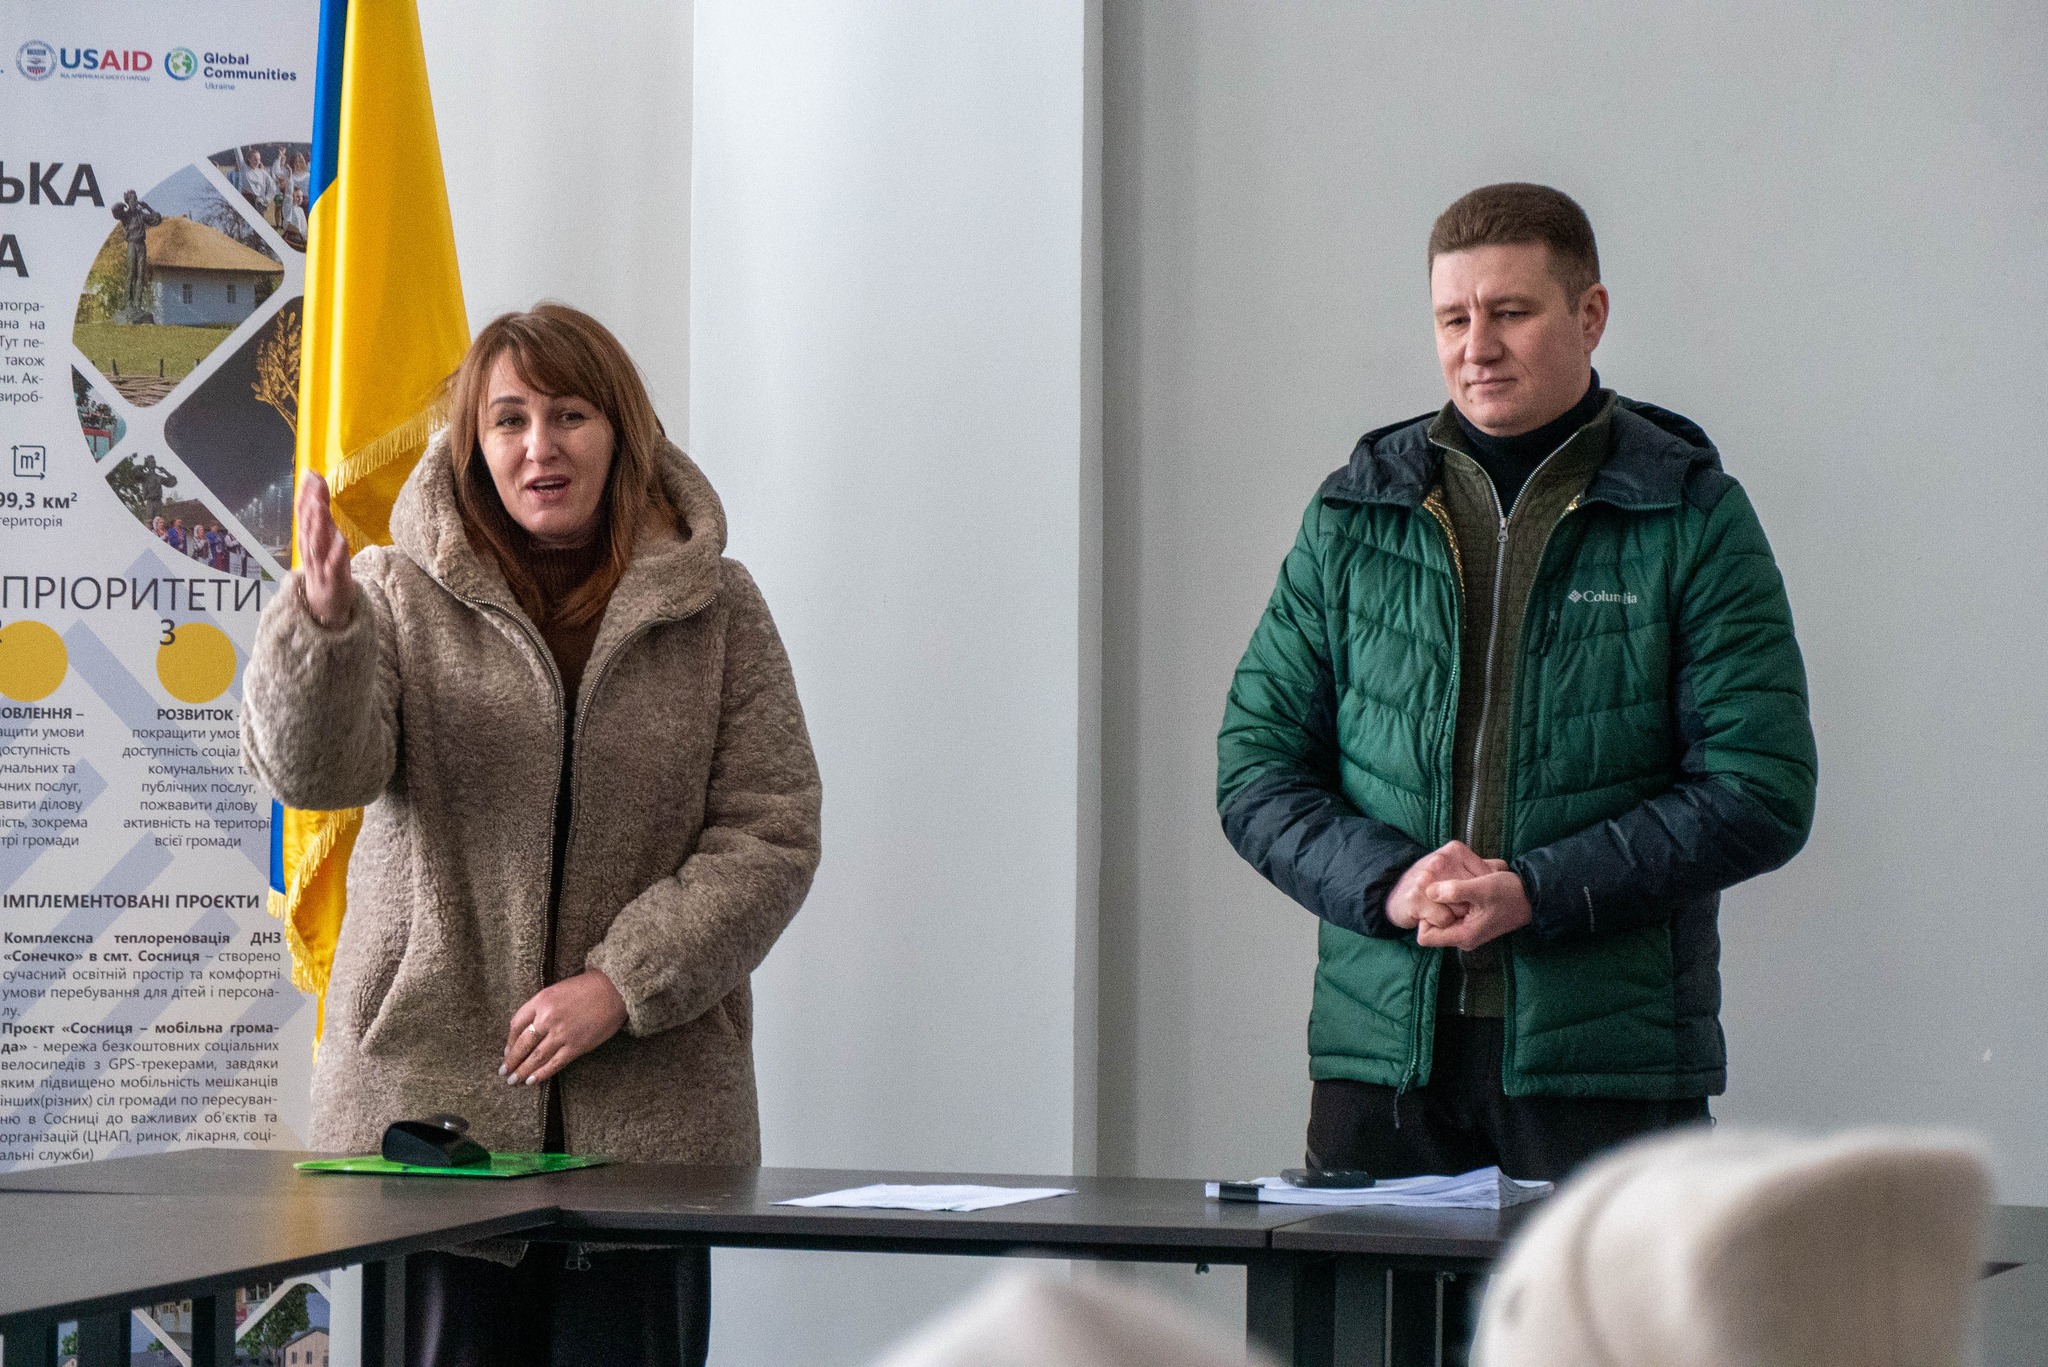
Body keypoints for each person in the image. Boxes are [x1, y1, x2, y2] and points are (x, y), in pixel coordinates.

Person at [242, 304, 823, 1367]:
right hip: (428, 1122)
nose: (538, 445)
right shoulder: (393, 592)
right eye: (508, 419)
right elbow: (322, 773)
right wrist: (321, 633)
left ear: (621, 431)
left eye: (569, 414)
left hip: (652, 1124)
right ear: (475, 443)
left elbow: (771, 833)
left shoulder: (721, 609)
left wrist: (623, 981)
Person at [1216, 184, 1817, 1186]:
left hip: (1608, 1067)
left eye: (1509, 311)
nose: (1476, 347)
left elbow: (1759, 788)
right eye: (1452, 317)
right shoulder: (1354, 514)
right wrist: (1391, 882)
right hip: (1382, 1064)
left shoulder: (1692, 516)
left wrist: (1536, 892)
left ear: (1589, 315)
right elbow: (1254, 768)